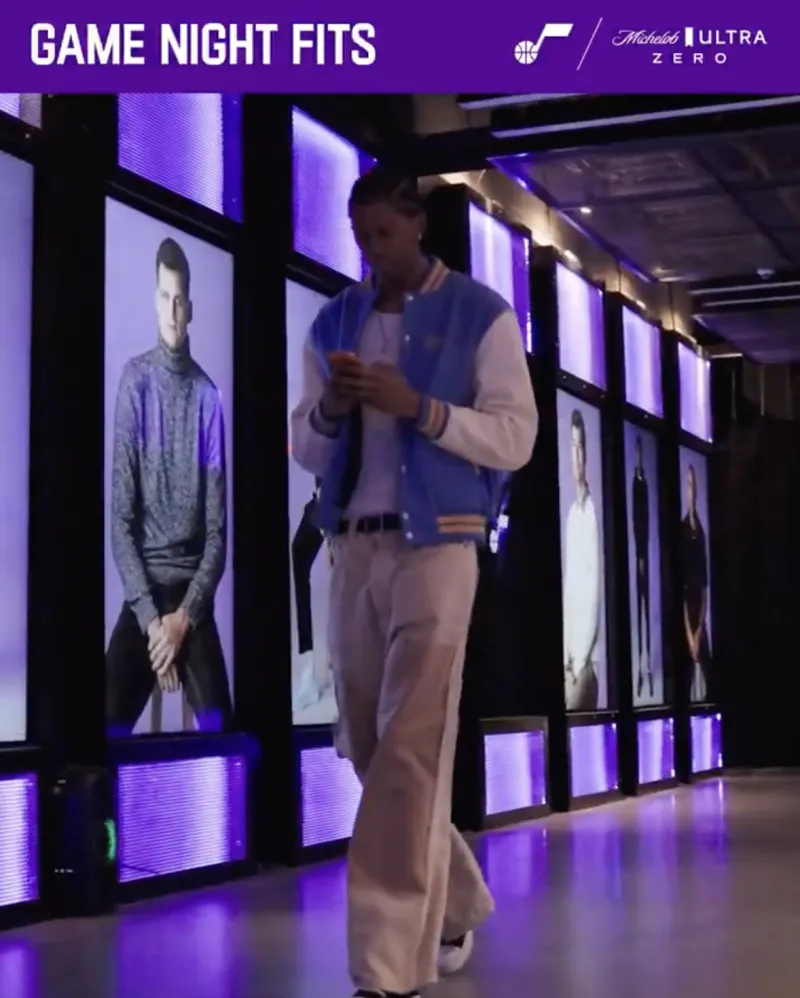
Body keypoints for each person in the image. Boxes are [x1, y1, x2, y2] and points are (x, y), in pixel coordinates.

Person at [291, 169, 537, 998]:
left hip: (441, 551)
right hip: (352, 550)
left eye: (383, 236)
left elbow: (516, 436)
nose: (370, 252)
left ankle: (385, 969)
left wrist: (419, 407)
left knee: (407, 751)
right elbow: (306, 444)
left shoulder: (480, 314)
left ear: (417, 224)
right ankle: (459, 898)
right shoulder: (334, 321)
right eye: (359, 238)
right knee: (370, 746)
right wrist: (329, 410)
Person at [106, 236, 233, 736]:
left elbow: (217, 534)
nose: (172, 310)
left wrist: (182, 621)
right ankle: (121, 820)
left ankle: (198, 816)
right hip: (146, 597)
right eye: (164, 297)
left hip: (190, 605)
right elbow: (120, 521)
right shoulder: (134, 383)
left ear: (192, 307)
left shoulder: (207, 398)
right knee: (99, 738)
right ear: (155, 300)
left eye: (180, 299)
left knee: (225, 736)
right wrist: (153, 624)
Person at [562, 408, 601, 711]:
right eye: (572, 448)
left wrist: (579, 662)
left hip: (583, 664)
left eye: (580, 448)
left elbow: (592, 592)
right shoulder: (573, 515)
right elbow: (570, 592)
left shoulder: (590, 514)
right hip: (570, 664)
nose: (576, 458)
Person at [681, 464, 710, 701]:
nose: (692, 491)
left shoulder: (700, 531)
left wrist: (700, 628)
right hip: (686, 614)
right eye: (688, 485)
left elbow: (705, 584)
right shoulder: (682, 531)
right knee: (687, 677)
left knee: (710, 675)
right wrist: (689, 632)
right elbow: (682, 586)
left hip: (698, 613)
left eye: (694, 486)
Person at [631, 436, 652, 699]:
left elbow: (643, 521)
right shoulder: (635, 486)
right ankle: (640, 669)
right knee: (639, 613)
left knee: (645, 613)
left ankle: (645, 670)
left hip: (643, 551)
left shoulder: (642, 485)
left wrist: (643, 556)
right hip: (637, 552)